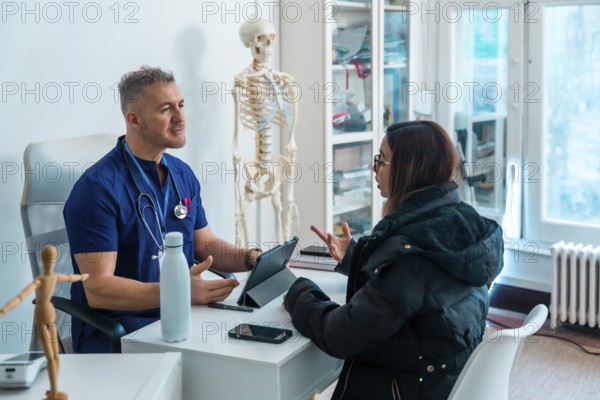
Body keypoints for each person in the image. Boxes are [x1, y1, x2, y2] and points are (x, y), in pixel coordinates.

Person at [284, 120, 504, 400]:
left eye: (382, 160)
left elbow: (339, 335)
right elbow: (427, 290)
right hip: (445, 383)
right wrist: (354, 257)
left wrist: (297, 291)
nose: (374, 169)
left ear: (408, 170)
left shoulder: (411, 256)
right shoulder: (461, 223)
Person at [64, 66, 260, 353]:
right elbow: (98, 289)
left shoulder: (181, 174)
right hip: (118, 330)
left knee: (252, 350)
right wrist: (177, 293)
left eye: (181, 105)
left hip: (178, 315)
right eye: (166, 109)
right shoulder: (97, 189)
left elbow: (205, 245)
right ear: (134, 119)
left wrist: (252, 259)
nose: (181, 117)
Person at [0, 245, 87, 400]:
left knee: (55, 356)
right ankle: (53, 391)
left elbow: (70, 278)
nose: (50, 262)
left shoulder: (50, 278)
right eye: (49, 259)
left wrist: (82, 277)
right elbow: (20, 296)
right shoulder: (43, 279)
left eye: (52, 259)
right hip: (43, 318)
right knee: (51, 357)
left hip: (48, 315)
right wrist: (3, 310)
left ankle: (54, 391)